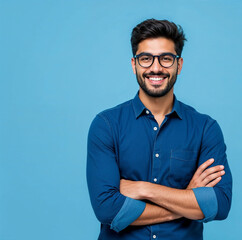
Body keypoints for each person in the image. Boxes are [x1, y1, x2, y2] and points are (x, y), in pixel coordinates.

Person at [87, 19, 232, 240]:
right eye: (146, 59)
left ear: (179, 65)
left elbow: (219, 205)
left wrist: (144, 189)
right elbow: (108, 209)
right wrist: (187, 198)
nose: (156, 68)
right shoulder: (106, 125)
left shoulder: (205, 128)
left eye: (166, 59)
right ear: (134, 64)